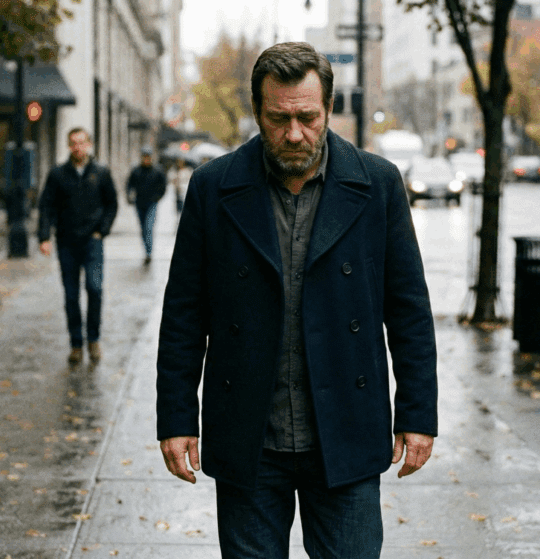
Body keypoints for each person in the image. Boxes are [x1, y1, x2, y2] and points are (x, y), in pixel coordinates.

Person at [156, 42, 438, 559]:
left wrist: (417, 412)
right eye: (278, 118)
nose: (293, 133)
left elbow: (409, 310)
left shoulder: (377, 184)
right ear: (258, 112)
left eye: (307, 118)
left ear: (329, 110)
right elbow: (184, 315)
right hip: (248, 434)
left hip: (347, 431)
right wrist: (176, 417)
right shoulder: (213, 187)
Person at [37, 128, 119, 365]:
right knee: (71, 296)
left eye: (82, 143)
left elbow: (111, 204)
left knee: (94, 289)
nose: (77, 147)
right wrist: (44, 237)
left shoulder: (101, 173)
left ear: (89, 145)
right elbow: (46, 206)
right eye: (73, 143)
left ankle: (93, 339)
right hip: (67, 243)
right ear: (68, 146)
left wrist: (101, 231)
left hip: (92, 243)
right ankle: (76, 343)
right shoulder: (57, 175)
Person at [126, 146, 167, 265]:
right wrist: (129, 196)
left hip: (152, 204)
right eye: (144, 157)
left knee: (148, 228)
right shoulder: (136, 170)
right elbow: (129, 184)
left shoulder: (157, 170)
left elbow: (163, 186)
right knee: (143, 228)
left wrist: (157, 198)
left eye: (148, 157)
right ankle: (146, 249)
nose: (146, 159)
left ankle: (149, 252)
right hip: (139, 203)